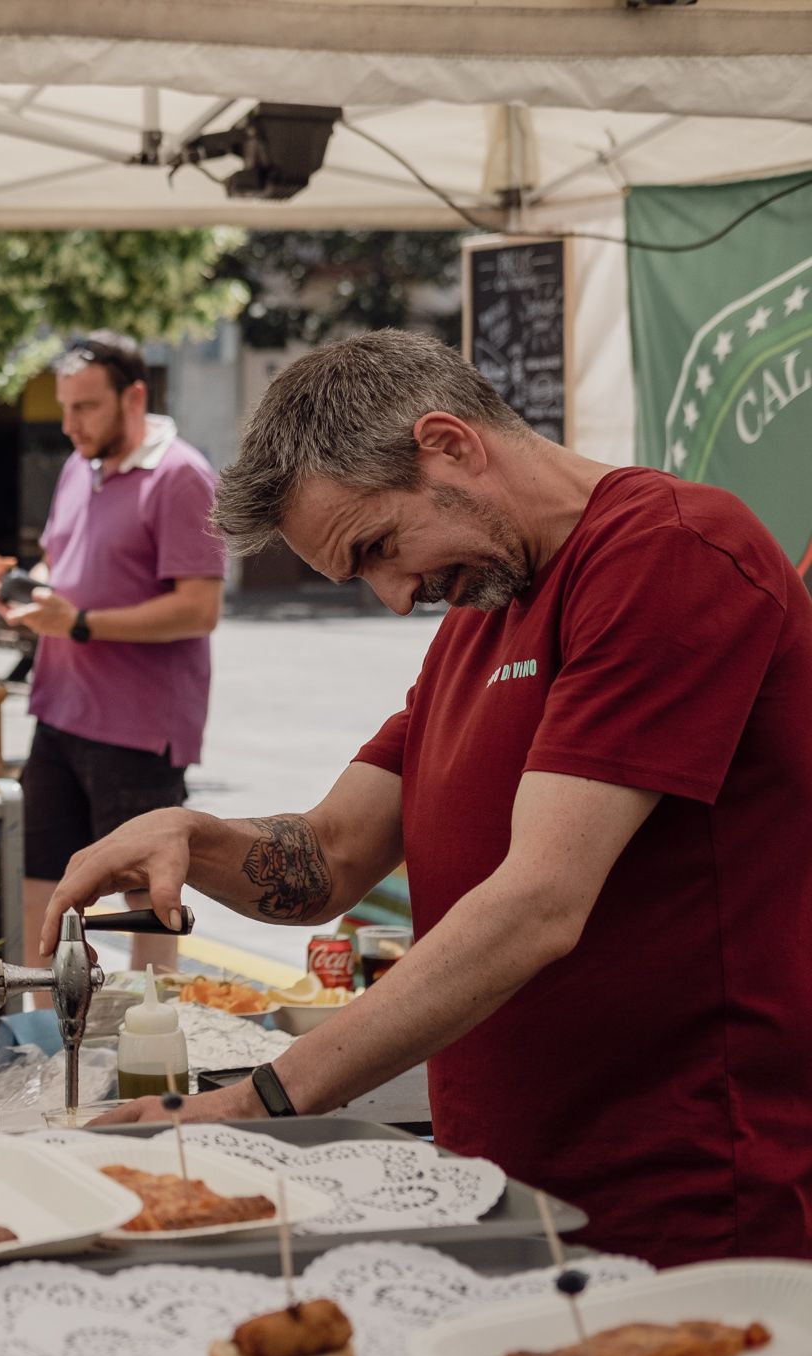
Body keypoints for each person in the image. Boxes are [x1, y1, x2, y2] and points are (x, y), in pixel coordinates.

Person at [49, 330, 812, 1267]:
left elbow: (540, 901)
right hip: (503, 1177)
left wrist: (264, 1100)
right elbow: (329, 856)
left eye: (379, 547)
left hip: (683, 1193)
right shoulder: (481, 613)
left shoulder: (667, 551)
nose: (394, 598)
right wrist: (189, 834)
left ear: (449, 443)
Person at [0, 335, 225, 973]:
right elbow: (66, 569)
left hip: (138, 727)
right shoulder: (78, 465)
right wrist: (25, 590)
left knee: (149, 896)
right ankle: (44, 1034)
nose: (70, 426)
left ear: (135, 396)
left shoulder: (180, 475)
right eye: (65, 408)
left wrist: (83, 623)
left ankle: (153, 1044)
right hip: (58, 711)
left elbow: (199, 607)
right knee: (43, 881)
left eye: (86, 408)